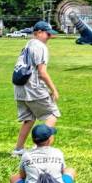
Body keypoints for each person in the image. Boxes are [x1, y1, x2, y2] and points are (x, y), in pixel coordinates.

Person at [12, 21, 60, 157]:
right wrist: (54, 89)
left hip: (19, 87)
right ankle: (40, 149)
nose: (50, 37)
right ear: (38, 32)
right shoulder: (40, 46)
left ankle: (18, 149)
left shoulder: (28, 44)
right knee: (52, 114)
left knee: (29, 119)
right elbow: (42, 72)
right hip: (33, 87)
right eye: (48, 34)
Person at [9, 124, 76, 183]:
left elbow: (22, 176)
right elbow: (62, 172)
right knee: (70, 170)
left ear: (33, 140)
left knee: (13, 178)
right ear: (49, 139)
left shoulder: (26, 155)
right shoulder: (57, 152)